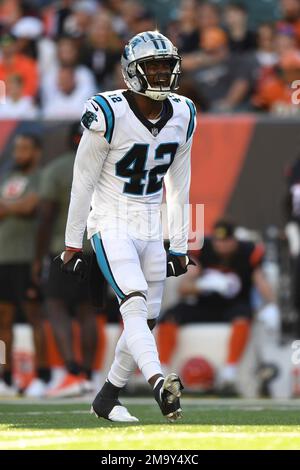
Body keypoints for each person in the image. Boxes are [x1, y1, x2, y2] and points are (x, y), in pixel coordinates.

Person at [61, 31, 196, 422]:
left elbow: (179, 183)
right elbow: (82, 180)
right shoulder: (107, 111)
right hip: (111, 220)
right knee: (133, 303)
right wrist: (72, 243)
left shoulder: (184, 113)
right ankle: (158, 383)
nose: (159, 74)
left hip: (151, 224)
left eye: (165, 66)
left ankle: (106, 397)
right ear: (132, 71)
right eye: (151, 66)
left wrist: (180, 244)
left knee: (146, 317)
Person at [158, 219, 280, 396]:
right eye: (218, 241)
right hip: (204, 305)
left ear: (234, 240)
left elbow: (261, 281)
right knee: (169, 316)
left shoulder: (248, 252)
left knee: (243, 317)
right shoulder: (203, 251)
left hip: (234, 306)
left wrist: (272, 305)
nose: (221, 245)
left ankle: (229, 371)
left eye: (226, 241)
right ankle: (162, 368)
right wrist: (204, 286)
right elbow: (183, 288)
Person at [33, 124, 101, 398]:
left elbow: (46, 217)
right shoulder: (106, 164)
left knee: (56, 307)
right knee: (88, 312)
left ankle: (71, 371)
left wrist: (37, 258)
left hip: (65, 249)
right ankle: (88, 374)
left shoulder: (58, 168)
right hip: (98, 247)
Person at [0, 134, 49, 397]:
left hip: (26, 257)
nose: (19, 153)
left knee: (34, 317)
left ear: (37, 152)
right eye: (17, 148)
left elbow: (30, 206)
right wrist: (13, 207)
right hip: (3, 257)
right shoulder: (7, 178)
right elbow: (16, 207)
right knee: (2, 321)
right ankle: (4, 376)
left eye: (25, 148)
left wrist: (8, 207)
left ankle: (42, 375)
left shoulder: (41, 177)